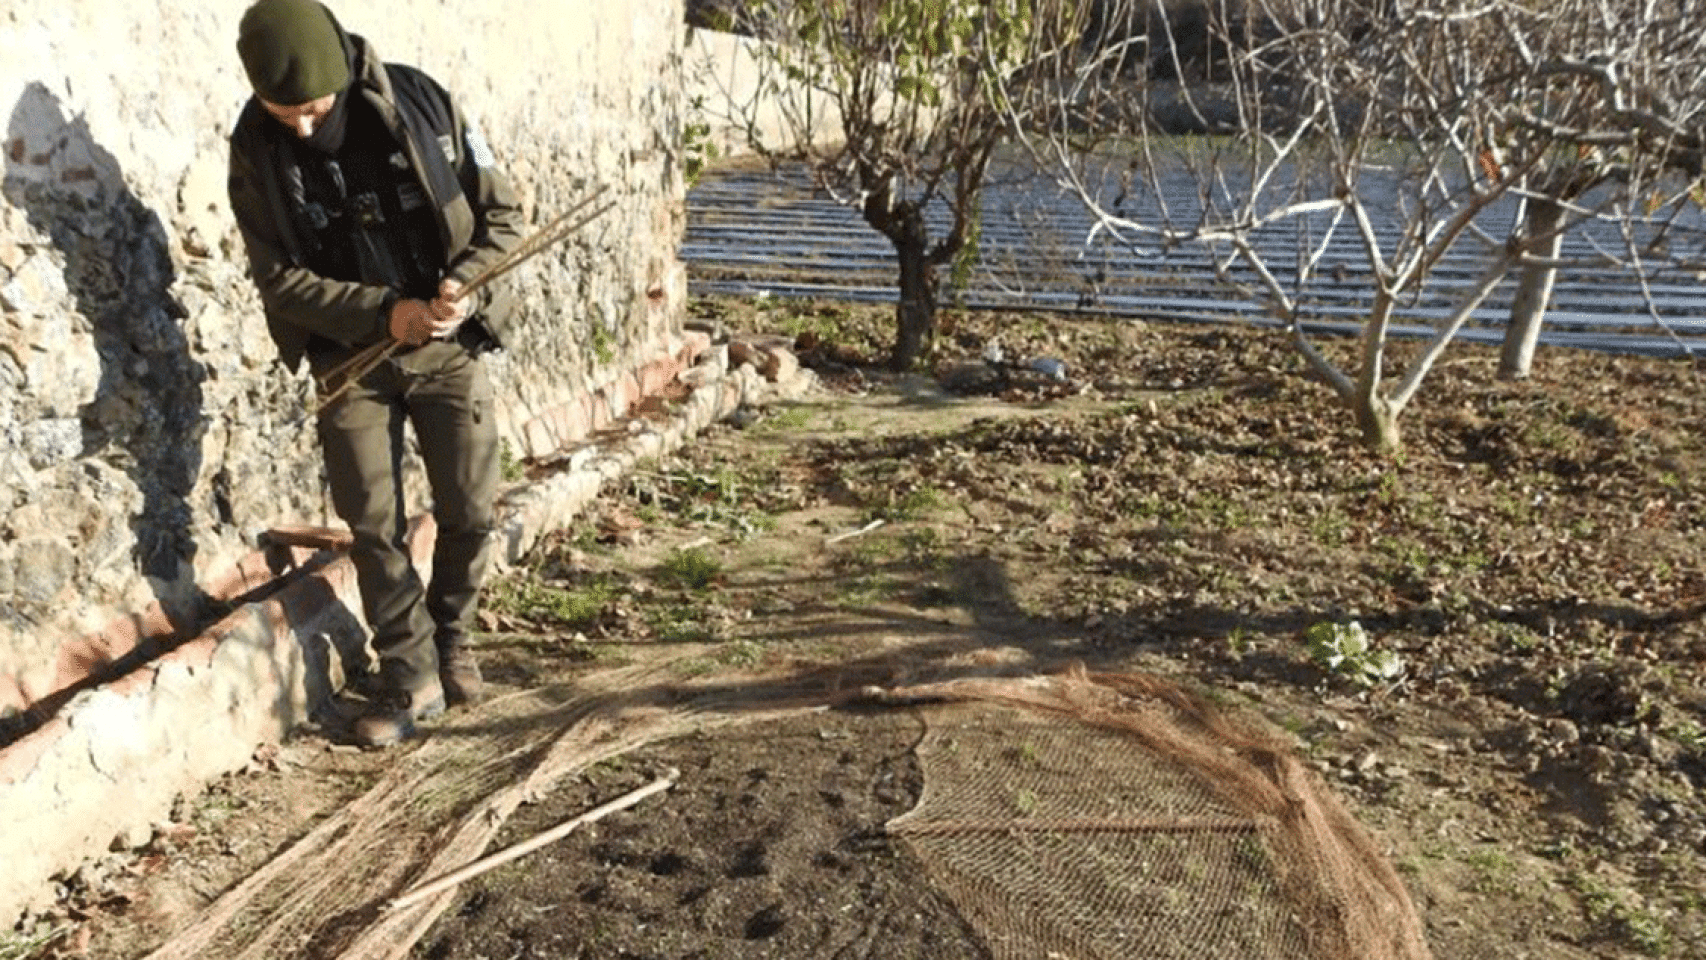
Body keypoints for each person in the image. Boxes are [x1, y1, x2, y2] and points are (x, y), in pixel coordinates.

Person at [227, 0, 524, 747]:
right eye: (281, 109)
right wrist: (383, 312)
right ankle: (409, 675)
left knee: (471, 509)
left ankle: (453, 637)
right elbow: (279, 280)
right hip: (348, 360)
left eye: (314, 109)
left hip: (445, 352)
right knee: (373, 524)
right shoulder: (255, 151)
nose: (299, 125)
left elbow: (504, 222)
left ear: (342, 75)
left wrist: (468, 287)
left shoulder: (421, 106)